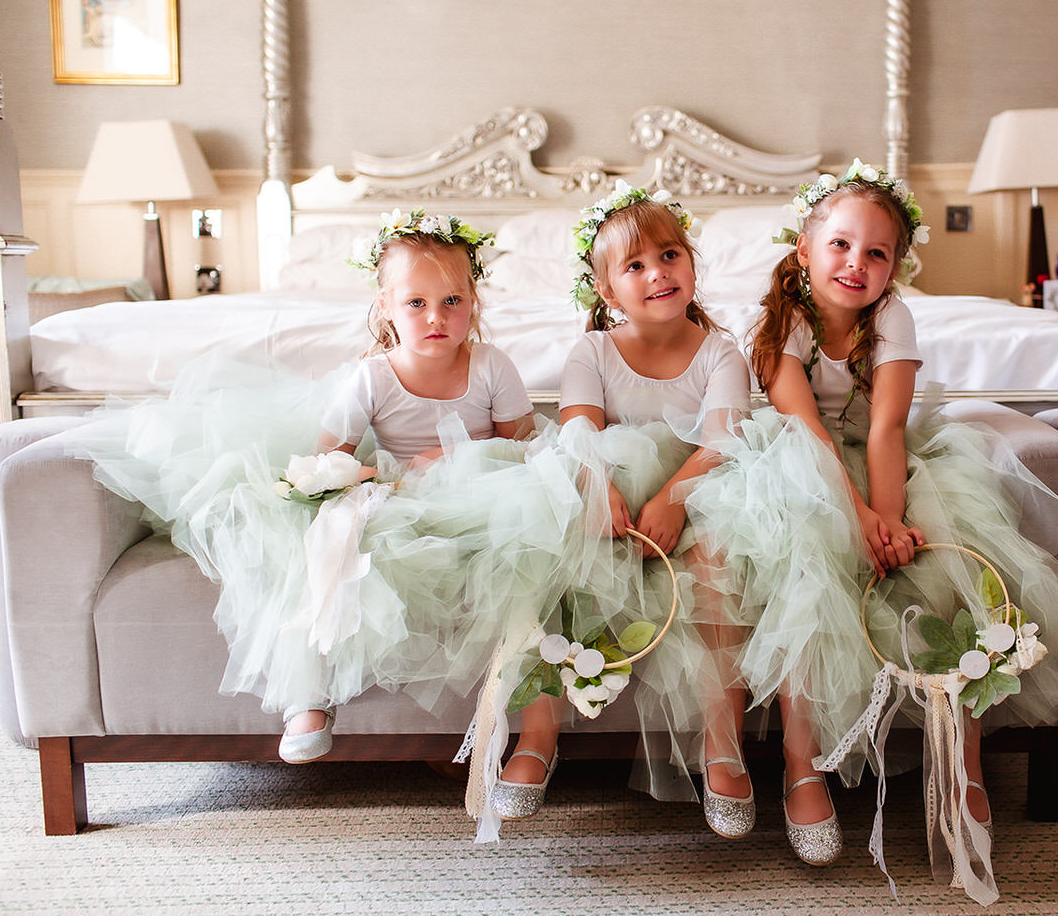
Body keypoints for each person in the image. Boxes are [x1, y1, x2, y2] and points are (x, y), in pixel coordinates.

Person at [702, 160, 1058, 886]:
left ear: (896, 267)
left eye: (877, 253)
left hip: (878, 461)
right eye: (840, 246)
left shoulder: (893, 318)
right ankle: (802, 765)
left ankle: (961, 764)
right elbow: (808, 437)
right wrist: (857, 519)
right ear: (804, 249)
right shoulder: (782, 320)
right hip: (793, 461)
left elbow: (886, 428)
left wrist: (889, 517)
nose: (856, 265)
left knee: (957, 564)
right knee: (806, 566)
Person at [65, 210, 553, 764]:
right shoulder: (371, 376)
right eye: (416, 302)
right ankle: (308, 694)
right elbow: (329, 460)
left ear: (474, 304)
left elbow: (527, 445)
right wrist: (369, 482)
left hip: (483, 491)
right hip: (401, 492)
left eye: (452, 302)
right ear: (386, 307)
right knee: (323, 539)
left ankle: (533, 731)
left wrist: (464, 455)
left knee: (527, 540)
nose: (435, 317)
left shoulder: (491, 365)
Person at [489, 183, 757, 844]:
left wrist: (671, 496)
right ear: (607, 291)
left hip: (702, 486)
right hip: (613, 491)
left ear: (692, 265)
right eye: (634, 266)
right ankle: (539, 729)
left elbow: (724, 440)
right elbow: (579, 428)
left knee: (718, 555)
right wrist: (597, 480)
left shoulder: (721, 350)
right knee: (558, 541)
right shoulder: (593, 352)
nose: (657, 273)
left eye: (669, 255)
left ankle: (723, 742)